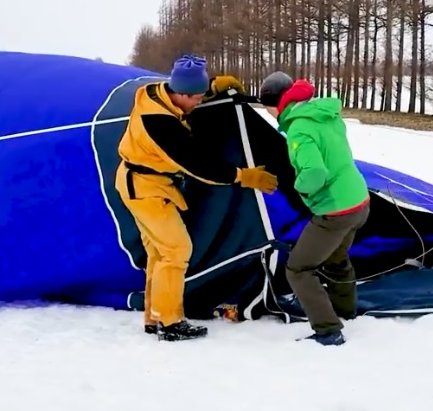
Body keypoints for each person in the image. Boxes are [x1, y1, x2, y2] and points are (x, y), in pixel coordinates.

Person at [115, 55, 279, 342]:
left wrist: (213, 85)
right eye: (198, 99)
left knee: (159, 252)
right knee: (176, 250)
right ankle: (170, 322)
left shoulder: (163, 91)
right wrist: (244, 176)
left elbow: (189, 91)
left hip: (149, 183)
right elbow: (199, 166)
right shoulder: (158, 124)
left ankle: (155, 316)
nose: (199, 103)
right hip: (144, 189)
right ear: (181, 94)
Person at [258, 71, 370, 346]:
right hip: (359, 201)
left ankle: (328, 329)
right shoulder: (323, 113)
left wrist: (299, 188)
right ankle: (345, 311)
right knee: (336, 258)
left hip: (335, 211)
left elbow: (315, 172)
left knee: (298, 268)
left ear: (276, 104)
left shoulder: (299, 129)